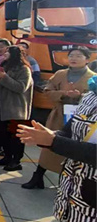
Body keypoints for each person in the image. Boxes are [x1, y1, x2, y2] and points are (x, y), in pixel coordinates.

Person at [16, 83, 97, 222]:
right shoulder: (91, 97)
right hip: (78, 200)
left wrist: (54, 142)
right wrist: (48, 136)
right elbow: (70, 133)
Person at [22, 47, 95, 189]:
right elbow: (47, 90)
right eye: (71, 55)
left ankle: (67, 182)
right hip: (58, 115)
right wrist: (64, 94)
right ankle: (38, 176)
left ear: (87, 59)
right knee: (48, 146)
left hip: (82, 119)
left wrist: (79, 96)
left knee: (73, 150)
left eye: (78, 56)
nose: (74, 58)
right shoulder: (60, 74)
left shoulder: (92, 78)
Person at [0, 45, 33, 171]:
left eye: (8, 52)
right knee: (3, 134)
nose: (5, 54)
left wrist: (4, 77)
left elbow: (21, 87)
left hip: (15, 108)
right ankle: (7, 156)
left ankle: (16, 161)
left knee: (15, 136)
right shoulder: (3, 66)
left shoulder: (24, 69)